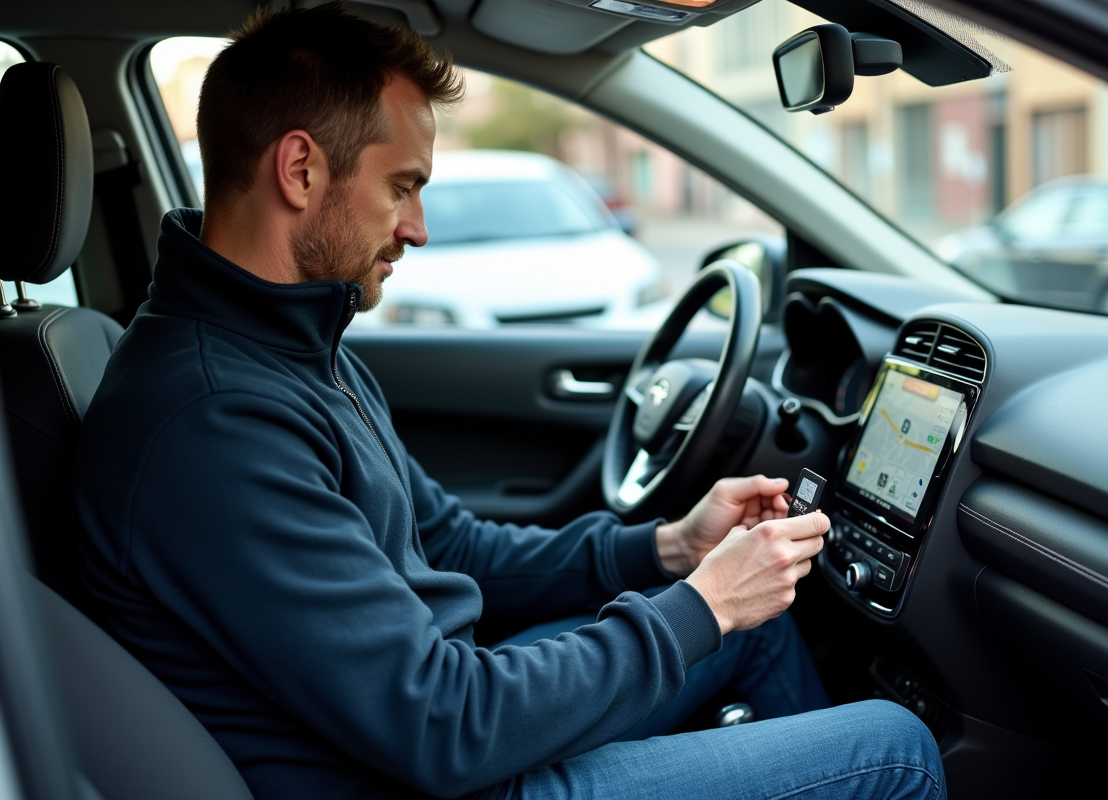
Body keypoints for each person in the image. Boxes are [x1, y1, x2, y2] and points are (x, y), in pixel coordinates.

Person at [74, 5, 945, 799]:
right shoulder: (214, 420)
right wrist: (706, 604)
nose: (417, 228)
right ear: (300, 168)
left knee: (750, 629)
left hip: (445, 719)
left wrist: (672, 551)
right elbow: (446, 726)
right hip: (439, 774)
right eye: (403, 185)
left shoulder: (290, 352)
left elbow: (451, 545)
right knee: (895, 748)